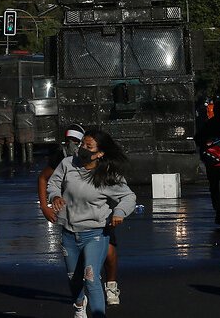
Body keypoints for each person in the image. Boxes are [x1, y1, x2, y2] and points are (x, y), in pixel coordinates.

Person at [48, 129, 136, 318]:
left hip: (95, 233)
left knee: (91, 277)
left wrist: (119, 212)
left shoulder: (107, 175)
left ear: (100, 153)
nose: (82, 149)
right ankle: (79, 305)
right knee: (74, 278)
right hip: (69, 232)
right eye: (82, 145)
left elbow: (128, 196)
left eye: (89, 147)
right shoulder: (67, 164)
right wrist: (54, 195)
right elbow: (53, 182)